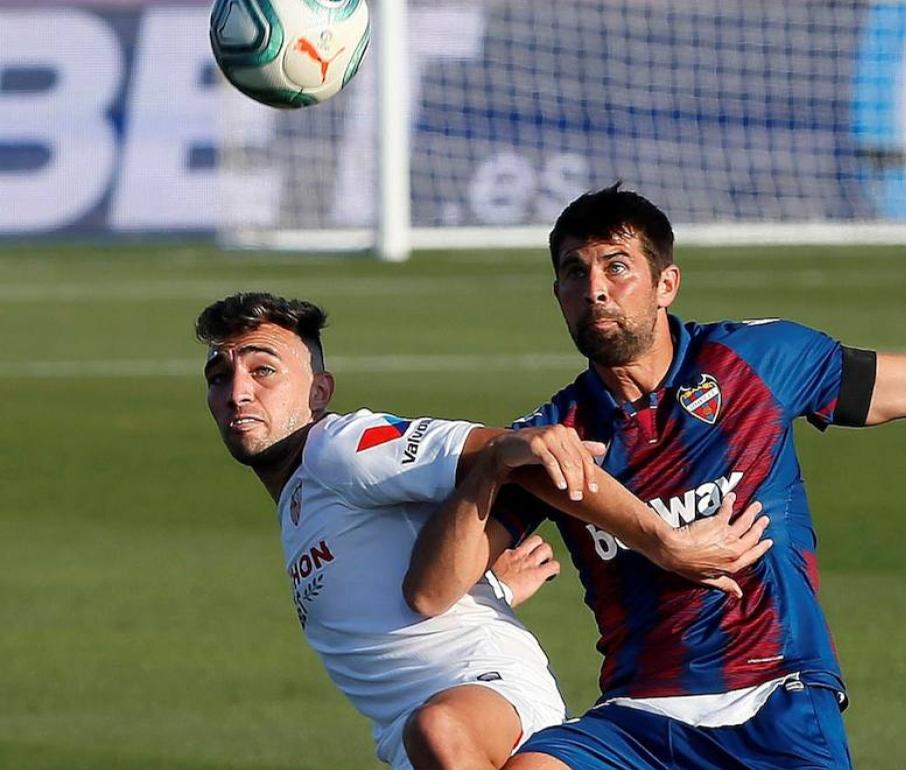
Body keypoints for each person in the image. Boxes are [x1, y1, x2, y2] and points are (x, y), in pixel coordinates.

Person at [405, 184, 906, 770]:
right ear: (558, 297)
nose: (597, 289)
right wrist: (491, 464)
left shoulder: (757, 361)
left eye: (618, 266)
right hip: (637, 725)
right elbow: (433, 592)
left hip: (776, 707)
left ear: (666, 282)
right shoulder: (555, 437)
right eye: (576, 274)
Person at [196, 293, 772, 770]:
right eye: (220, 377)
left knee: (439, 727)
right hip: (417, 738)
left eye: (263, 369)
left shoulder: (337, 447)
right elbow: (387, 595)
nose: (238, 391)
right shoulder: (298, 497)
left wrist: (662, 543)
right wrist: (491, 593)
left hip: (480, 698)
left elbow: (529, 454)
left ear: (320, 391)